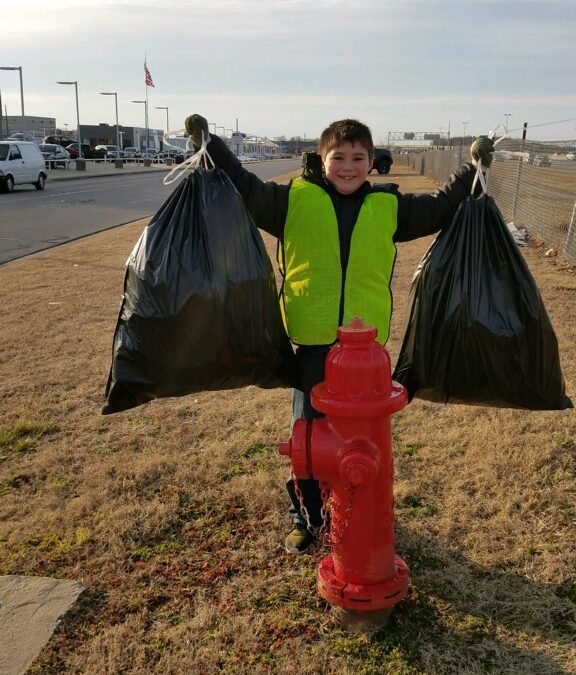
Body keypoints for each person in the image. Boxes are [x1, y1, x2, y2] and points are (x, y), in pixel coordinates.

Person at [184, 114, 494, 554]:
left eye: (358, 157)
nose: (348, 166)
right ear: (322, 159)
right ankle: (306, 518)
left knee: (361, 441)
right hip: (312, 347)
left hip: (365, 355)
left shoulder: (389, 207)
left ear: (371, 162)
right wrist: (210, 144)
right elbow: (244, 186)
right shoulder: (292, 201)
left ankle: (358, 508)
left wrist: (474, 167)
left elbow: (443, 206)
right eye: (338, 157)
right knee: (308, 438)